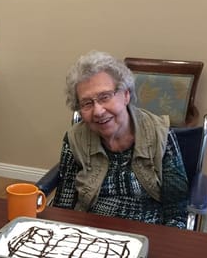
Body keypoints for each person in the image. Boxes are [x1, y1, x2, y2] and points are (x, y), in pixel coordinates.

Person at [53, 51, 188, 228]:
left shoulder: (160, 134)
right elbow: (64, 206)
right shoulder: (74, 140)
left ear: (126, 95)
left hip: (147, 233)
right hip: (89, 233)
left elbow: (176, 211)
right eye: (87, 103)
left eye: (105, 97)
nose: (98, 111)